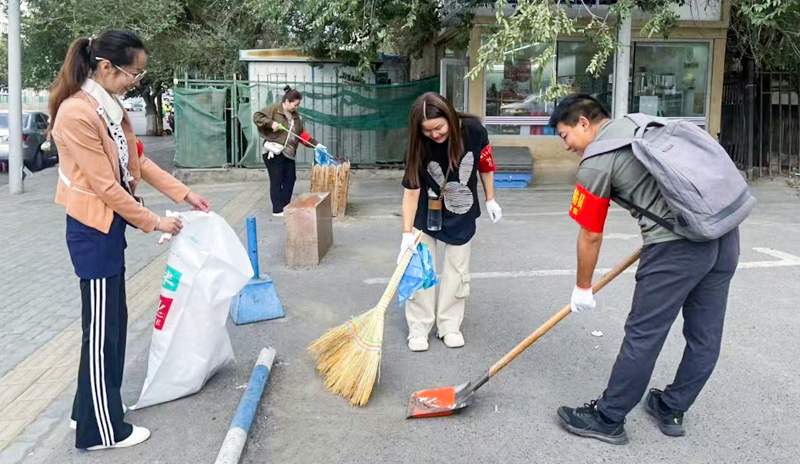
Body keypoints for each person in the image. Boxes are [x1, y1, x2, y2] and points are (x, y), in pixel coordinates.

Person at [50, 30, 211, 450]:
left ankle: (84, 410)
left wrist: (183, 193)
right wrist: (156, 222)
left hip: (108, 229)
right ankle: (102, 429)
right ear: (106, 68)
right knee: (104, 331)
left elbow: (137, 158)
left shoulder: (107, 107)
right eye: (133, 74)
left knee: (109, 325)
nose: (135, 83)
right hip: (93, 231)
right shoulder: (77, 114)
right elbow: (107, 187)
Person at [550, 95, 740, 444]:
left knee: (644, 334)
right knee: (705, 335)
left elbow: (590, 233)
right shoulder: (645, 124)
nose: (567, 147)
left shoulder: (597, 158)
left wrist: (582, 287)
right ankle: (672, 407)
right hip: (723, 232)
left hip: (675, 248)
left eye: (564, 136)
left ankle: (608, 417)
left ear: (582, 123)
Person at [399, 92, 502, 352]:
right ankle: (419, 328)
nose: (434, 134)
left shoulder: (474, 131)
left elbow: (485, 166)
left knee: (457, 271)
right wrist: (407, 232)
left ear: (449, 116)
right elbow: (411, 191)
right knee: (421, 270)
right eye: (427, 130)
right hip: (426, 212)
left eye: (439, 127)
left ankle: (449, 325)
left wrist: (491, 199)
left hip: (462, 210)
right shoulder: (417, 145)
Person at [253, 86, 325, 216]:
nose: (296, 107)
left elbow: (301, 135)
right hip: (274, 152)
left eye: (298, 105)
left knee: (290, 179)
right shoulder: (275, 109)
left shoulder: (295, 117)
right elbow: (257, 117)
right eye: (295, 105)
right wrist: (271, 123)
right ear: (286, 101)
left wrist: (316, 145)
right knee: (277, 179)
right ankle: (277, 209)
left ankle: (285, 205)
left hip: (289, 153)